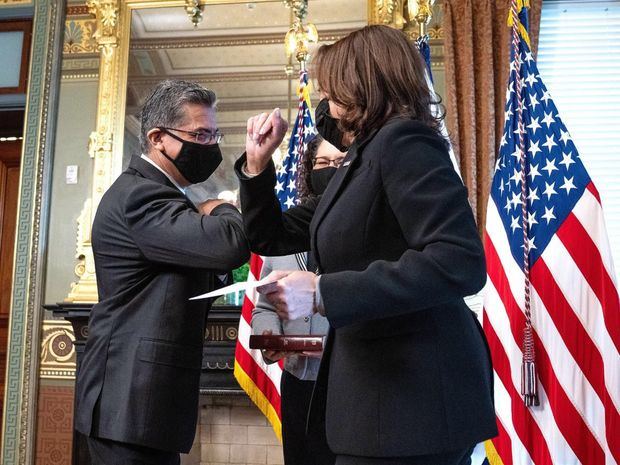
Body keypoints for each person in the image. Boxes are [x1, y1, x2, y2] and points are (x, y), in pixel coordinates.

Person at [236, 25, 497, 465]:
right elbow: (269, 234)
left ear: (361, 84)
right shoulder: (363, 159)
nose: (325, 99)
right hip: (379, 399)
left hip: (414, 402)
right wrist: (259, 165)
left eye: (332, 86)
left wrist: (322, 292)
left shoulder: (404, 142)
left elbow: (460, 261)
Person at [75, 79, 250, 465]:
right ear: (158, 137)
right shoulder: (142, 194)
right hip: (130, 401)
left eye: (214, 134)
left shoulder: (167, 196)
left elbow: (187, 272)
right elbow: (229, 244)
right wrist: (220, 205)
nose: (211, 146)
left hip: (145, 406)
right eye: (201, 134)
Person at [252, 135, 344, 465]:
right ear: (308, 170)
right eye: (323, 163)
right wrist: (268, 336)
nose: (331, 170)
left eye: (340, 162)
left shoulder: (359, 234)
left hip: (344, 383)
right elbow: (264, 305)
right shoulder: (287, 229)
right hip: (297, 381)